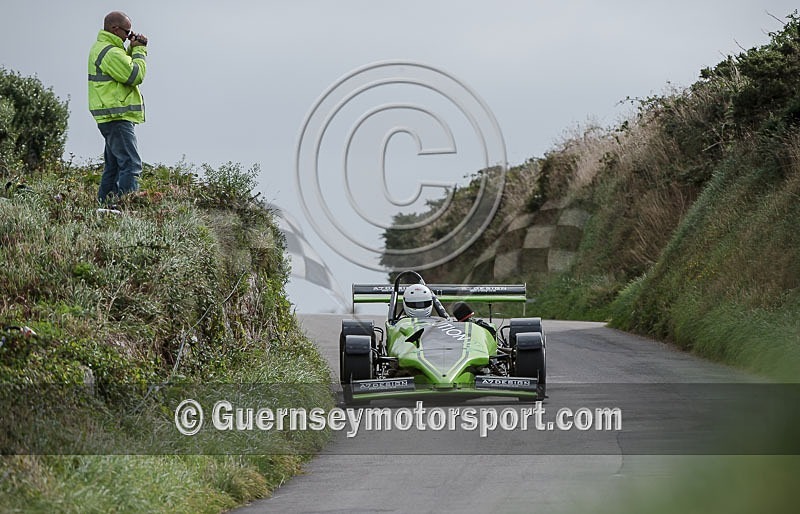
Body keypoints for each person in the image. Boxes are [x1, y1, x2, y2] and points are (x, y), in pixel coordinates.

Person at [88, 11, 148, 204]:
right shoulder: (110, 52)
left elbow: (122, 69)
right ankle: (126, 207)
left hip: (111, 116)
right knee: (131, 164)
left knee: (113, 167)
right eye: (127, 32)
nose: (129, 36)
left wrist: (131, 49)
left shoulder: (107, 50)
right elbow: (134, 75)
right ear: (115, 28)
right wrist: (139, 51)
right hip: (117, 116)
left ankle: (104, 207)